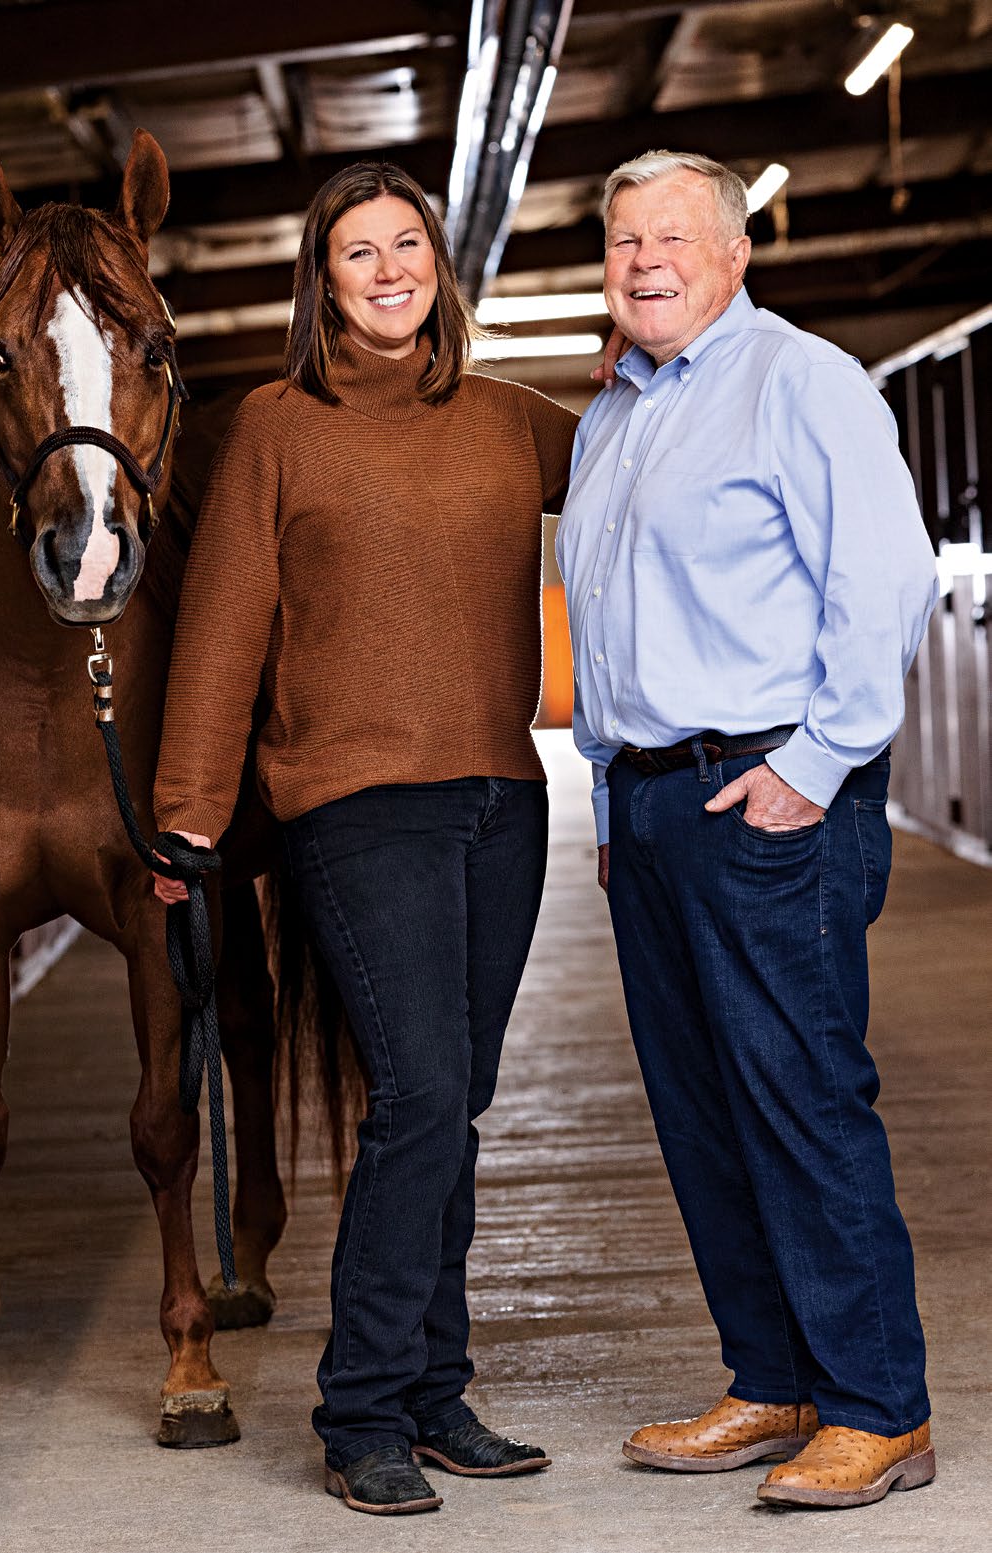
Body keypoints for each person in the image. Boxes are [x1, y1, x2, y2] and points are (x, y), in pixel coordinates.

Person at [152, 161, 580, 1515]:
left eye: (408, 244)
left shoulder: (514, 423)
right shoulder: (275, 428)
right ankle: (359, 1409)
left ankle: (435, 1385)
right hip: (350, 804)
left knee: (452, 1102)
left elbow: (667, 459)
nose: (388, 267)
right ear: (319, 281)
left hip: (502, 800)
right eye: (358, 251)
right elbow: (219, 632)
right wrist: (185, 815)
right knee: (413, 1096)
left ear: (439, 268)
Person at [557, 149, 940, 1511]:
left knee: (798, 1096)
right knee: (703, 1109)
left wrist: (818, 760)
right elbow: (608, 622)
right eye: (620, 242)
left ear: (733, 255)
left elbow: (881, 580)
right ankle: (771, 1378)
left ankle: (876, 1406)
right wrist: (611, 793)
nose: (642, 260)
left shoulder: (798, 381)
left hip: (765, 790)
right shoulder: (614, 412)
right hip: (654, 802)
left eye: (670, 237)